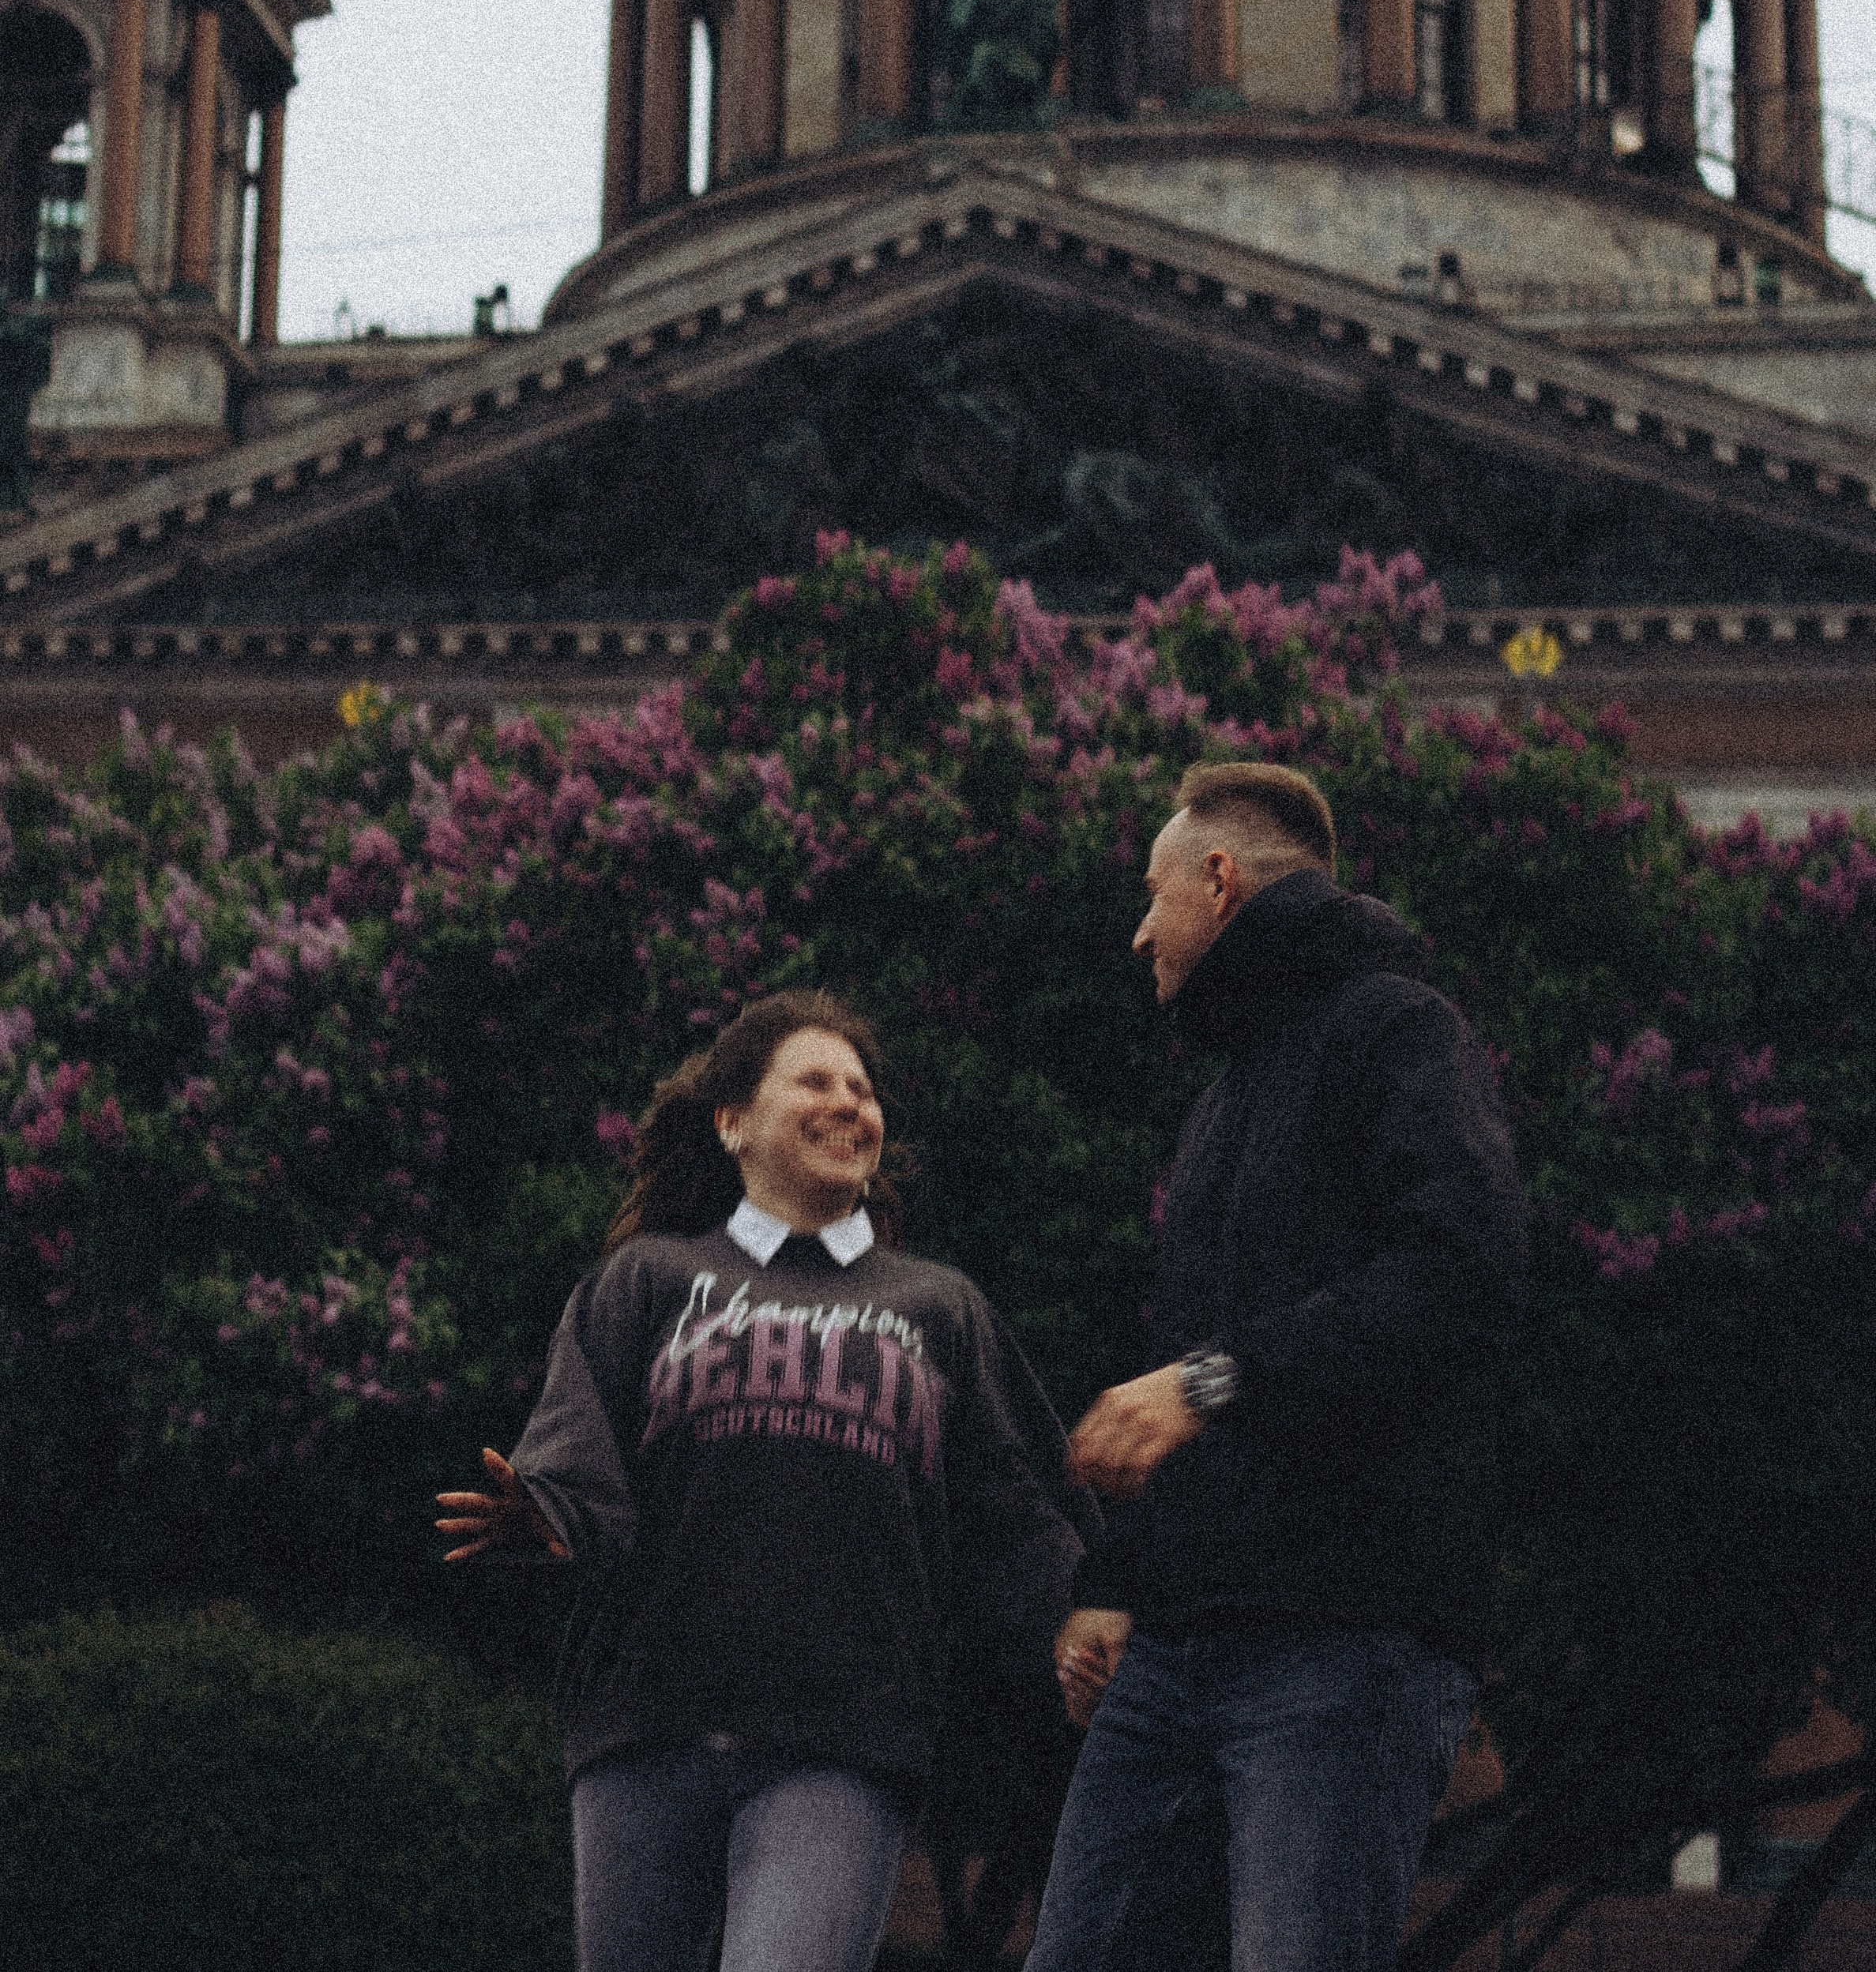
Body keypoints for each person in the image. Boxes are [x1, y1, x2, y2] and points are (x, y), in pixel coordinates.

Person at [436, 988, 1095, 1972]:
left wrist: (1089, 1607)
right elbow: (576, 1454)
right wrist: (549, 1513)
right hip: (644, 1730)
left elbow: (1019, 1508)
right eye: (814, 1081)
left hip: (842, 1744)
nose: (848, 1103)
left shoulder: (938, 1307)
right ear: (732, 1122)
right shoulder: (647, 1279)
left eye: (861, 1089)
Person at [1029, 760, 1528, 1972]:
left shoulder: (1397, 1029)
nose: (1137, 929)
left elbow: (1457, 1272)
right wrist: (1115, 1578)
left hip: (1343, 1641)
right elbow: (1188, 1356)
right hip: (1175, 1645)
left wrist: (1207, 1383)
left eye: (1152, 893)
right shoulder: (1223, 1100)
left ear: (1218, 877)